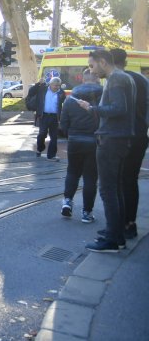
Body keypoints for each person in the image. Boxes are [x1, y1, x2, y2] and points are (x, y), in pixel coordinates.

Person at [76, 49, 136, 253]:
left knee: (108, 189)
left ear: (102, 62)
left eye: (92, 66)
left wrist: (92, 108)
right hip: (119, 138)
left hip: (111, 139)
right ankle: (116, 234)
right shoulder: (123, 77)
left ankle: (112, 239)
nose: (91, 71)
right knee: (115, 188)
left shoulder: (116, 79)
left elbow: (119, 108)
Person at [111, 49, 149, 240]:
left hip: (121, 138)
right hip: (139, 135)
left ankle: (120, 225)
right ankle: (129, 223)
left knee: (117, 181)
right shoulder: (142, 79)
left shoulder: (116, 80)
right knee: (130, 180)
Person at [59, 69, 102, 223]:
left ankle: (67, 202)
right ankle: (86, 212)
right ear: (97, 79)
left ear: (83, 79)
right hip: (94, 142)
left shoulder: (71, 98)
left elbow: (63, 123)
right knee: (90, 178)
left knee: (72, 172)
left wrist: (71, 134)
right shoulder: (102, 96)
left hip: (75, 141)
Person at [27, 76, 65, 161]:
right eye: (55, 85)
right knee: (42, 134)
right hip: (43, 116)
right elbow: (31, 92)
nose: (57, 87)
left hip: (55, 117)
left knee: (54, 137)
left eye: (58, 85)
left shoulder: (61, 93)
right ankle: (40, 148)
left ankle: (51, 156)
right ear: (50, 84)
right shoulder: (43, 89)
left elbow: (62, 104)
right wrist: (38, 84)